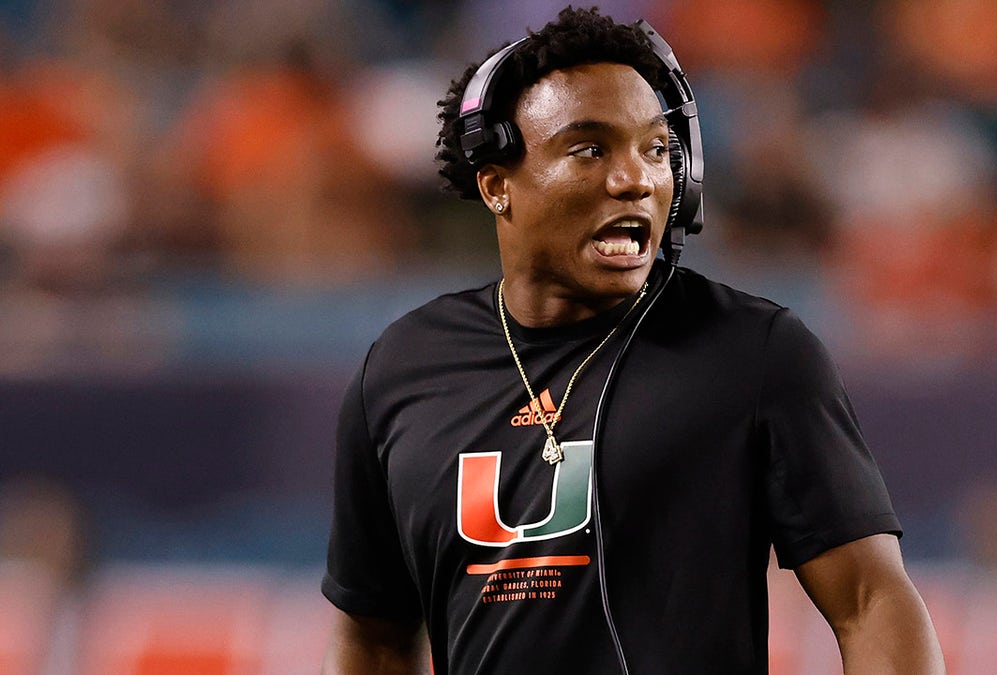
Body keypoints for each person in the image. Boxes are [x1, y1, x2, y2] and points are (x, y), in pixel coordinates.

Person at [321, 7, 944, 674]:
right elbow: (375, 637)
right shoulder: (401, 370)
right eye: (590, 149)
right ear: (498, 184)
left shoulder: (754, 351)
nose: (636, 179)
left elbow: (870, 600)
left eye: (654, 149)